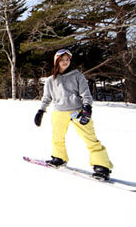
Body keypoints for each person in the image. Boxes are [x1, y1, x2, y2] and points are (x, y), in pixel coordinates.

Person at [34, 49, 113, 180]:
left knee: (90, 139)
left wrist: (87, 108)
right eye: (62, 60)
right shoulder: (50, 80)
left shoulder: (77, 76)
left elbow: (85, 94)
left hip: (77, 111)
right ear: (57, 62)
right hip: (59, 112)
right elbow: (46, 97)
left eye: (67, 60)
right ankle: (59, 158)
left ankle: (102, 166)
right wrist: (40, 111)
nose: (65, 62)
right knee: (57, 138)